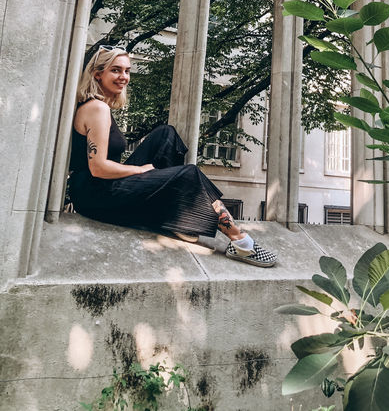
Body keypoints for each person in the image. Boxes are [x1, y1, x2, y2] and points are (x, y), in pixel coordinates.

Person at [69, 46, 277, 268]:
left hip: (102, 185)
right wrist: (141, 170)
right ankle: (240, 241)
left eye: (128, 71)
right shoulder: (97, 108)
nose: (124, 77)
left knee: (166, 134)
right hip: (93, 194)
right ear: (98, 73)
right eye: (116, 70)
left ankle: (177, 214)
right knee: (189, 173)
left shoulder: (101, 107)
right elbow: (98, 168)